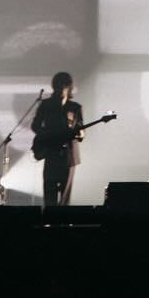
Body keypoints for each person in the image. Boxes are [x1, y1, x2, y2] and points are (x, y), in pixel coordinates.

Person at [32, 71, 84, 207]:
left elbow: (81, 134)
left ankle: (63, 222)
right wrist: (49, 136)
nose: (60, 88)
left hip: (68, 155)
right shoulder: (46, 105)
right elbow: (35, 126)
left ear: (68, 87)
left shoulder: (75, 108)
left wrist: (74, 133)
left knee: (65, 197)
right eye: (58, 85)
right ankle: (49, 221)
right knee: (50, 193)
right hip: (51, 153)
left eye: (63, 85)